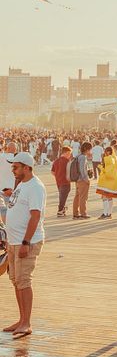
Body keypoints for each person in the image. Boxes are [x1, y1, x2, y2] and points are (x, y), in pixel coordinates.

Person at [2, 152, 46, 339]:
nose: (13, 170)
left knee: (24, 281)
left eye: (16, 167)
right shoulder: (22, 185)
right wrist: (11, 195)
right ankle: (21, 320)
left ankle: (26, 323)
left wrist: (26, 243)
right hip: (14, 240)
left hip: (25, 241)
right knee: (16, 280)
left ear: (27, 168)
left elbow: (35, 216)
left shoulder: (35, 187)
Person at [96, 145, 117, 219]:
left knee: (104, 197)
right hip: (114, 181)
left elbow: (107, 171)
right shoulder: (115, 158)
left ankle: (105, 213)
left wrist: (100, 167)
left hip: (107, 181)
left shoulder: (109, 159)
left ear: (107, 152)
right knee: (110, 197)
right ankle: (109, 214)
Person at [71, 141, 93, 219]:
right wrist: (86, 179)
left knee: (77, 196)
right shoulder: (83, 157)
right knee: (83, 197)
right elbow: (82, 169)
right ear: (87, 149)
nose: (90, 151)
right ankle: (83, 213)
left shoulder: (78, 156)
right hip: (82, 179)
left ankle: (75, 213)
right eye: (90, 149)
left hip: (77, 179)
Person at [51, 144, 72, 217]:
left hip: (58, 181)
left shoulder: (56, 161)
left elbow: (52, 172)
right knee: (63, 196)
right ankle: (60, 210)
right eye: (69, 154)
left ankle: (62, 209)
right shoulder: (67, 161)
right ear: (66, 153)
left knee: (62, 195)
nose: (70, 155)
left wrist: (57, 175)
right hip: (66, 181)